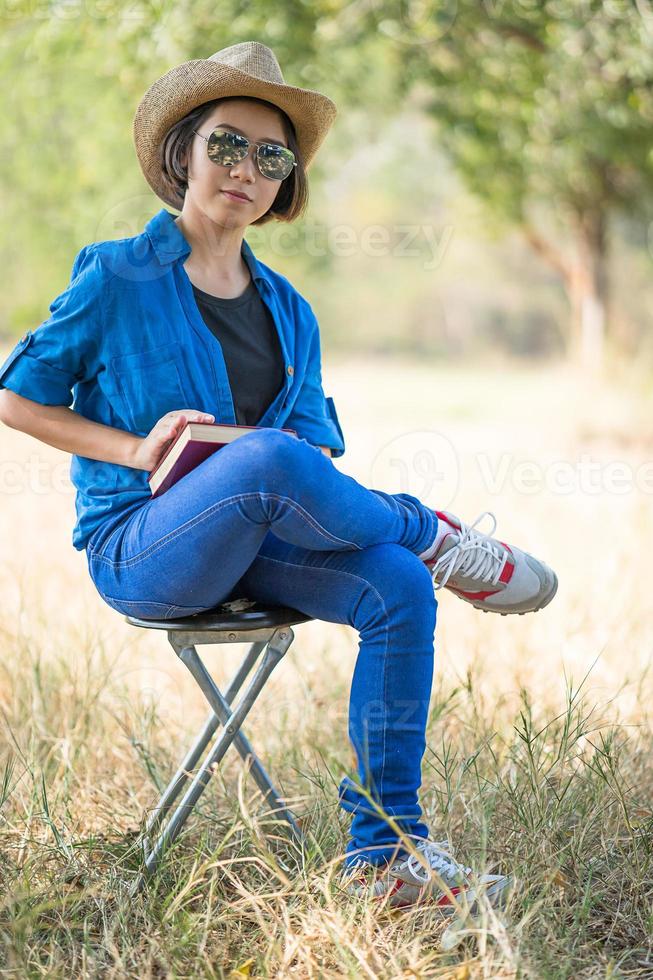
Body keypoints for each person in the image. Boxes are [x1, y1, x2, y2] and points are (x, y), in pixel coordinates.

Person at [0, 41, 557, 911]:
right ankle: (433, 530)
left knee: (397, 583)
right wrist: (138, 451)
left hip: (257, 538)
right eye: (225, 143)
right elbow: (16, 398)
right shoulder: (116, 274)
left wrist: (279, 472)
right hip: (143, 549)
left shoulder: (290, 309)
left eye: (271, 155)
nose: (244, 169)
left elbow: (305, 464)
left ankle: (386, 855)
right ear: (182, 151)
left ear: (284, 183)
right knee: (267, 457)